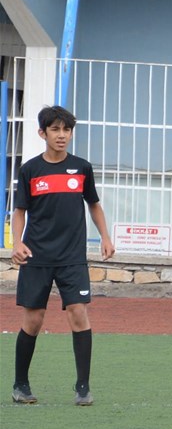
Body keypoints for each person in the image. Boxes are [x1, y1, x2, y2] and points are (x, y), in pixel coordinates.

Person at [10, 105, 116, 406]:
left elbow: (93, 204)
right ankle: (21, 385)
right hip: (37, 256)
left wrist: (106, 237)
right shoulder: (30, 170)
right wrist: (17, 243)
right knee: (33, 320)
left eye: (66, 129)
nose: (62, 135)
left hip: (72, 256)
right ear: (42, 133)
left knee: (78, 314)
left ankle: (83, 387)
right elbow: (20, 211)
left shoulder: (82, 168)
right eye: (55, 129)